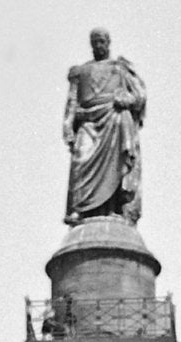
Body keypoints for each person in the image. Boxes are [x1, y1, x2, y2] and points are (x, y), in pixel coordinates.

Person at [62, 28, 146, 225]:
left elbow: (139, 96)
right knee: (81, 159)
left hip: (113, 120)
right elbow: (71, 102)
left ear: (108, 43)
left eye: (101, 42)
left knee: (116, 163)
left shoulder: (120, 68)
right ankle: (79, 210)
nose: (98, 46)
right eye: (95, 42)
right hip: (88, 123)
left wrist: (126, 98)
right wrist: (67, 126)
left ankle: (115, 208)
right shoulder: (80, 71)